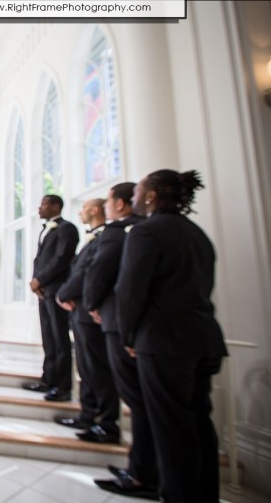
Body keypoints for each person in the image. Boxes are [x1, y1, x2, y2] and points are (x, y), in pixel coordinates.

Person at [116, 170, 227, 503]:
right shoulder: (197, 234)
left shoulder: (145, 232)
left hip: (164, 342)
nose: (134, 196)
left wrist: (129, 336)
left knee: (171, 431)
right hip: (204, 339)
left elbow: (130, 291)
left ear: (150, 196)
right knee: (198, 426)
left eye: (137, 190)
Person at [83, 182, 157, 499]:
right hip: (143, 326)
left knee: (138, 403)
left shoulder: (122, 232)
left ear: (122, 204)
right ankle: (141, 467)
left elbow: (100, 273)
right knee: (143, 404)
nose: (107, 206)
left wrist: (91, 304)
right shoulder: (147, 229)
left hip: (119, 322)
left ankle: (141, 474)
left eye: (110, 200)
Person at [54, 198, 120, 444]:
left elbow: (90, 273)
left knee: (97, 369)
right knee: (86, 368)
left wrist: (65, 293)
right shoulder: (95, 237)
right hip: (80, 311)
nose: (80, 212)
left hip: (90, 313)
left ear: (94, 211)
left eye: (83, 208)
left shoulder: (108, 237)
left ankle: (106, 423)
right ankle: (88, 415)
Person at [23, 194, 79, 401]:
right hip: (43, 290)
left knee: (60, 338)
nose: (40, 208)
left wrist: (41, 280)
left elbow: (62, 258)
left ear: (56, 206)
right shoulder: (46, 229)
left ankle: (63, 387)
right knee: (48, 336)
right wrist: (35, 281)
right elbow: (41, 259)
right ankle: (48, 379)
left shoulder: (67, 229)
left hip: (57, 290)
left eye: (44, 204)